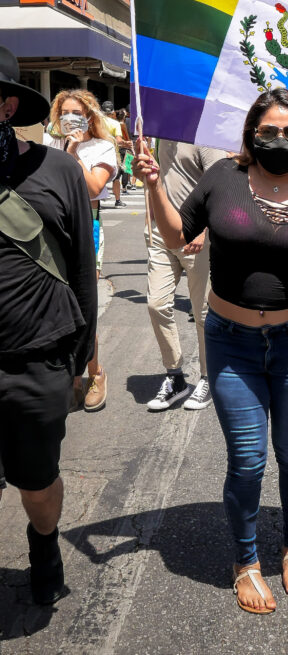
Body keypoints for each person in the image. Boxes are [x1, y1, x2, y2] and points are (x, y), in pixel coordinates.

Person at [134, 89, 288, 614]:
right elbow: (180, 234)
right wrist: (154, 187)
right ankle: (245, 560)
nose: (280, 140)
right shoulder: (222, 177)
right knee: (247, 462)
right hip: (232, 343)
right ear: (250, 133)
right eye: (269, 130)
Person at [0, 47, 97, 604]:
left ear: (8, 104)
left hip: (37, 360)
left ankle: (44, 543)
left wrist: (80, 361)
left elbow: (84, 269)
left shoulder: (58, 170)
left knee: (36, 485)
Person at [144, 140, 227, 412]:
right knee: (156, 305)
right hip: (160, 233)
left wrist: (204, 229)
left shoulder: (203, 137)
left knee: (203, 312)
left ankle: (207, 377)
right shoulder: (155, 137)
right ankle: (175, 376)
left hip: (197, 234)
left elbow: (221, 184)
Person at [48, 90, 118, 411]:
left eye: (76, 112)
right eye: (64, 112)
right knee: (55, 305)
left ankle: (95, 373)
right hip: (51, 234)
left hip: (86, 231)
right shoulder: (48, 146)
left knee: (83, 306)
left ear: (89, 116)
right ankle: (70, 377)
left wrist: (74, 152)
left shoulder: (102, 147)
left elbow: (93, 187)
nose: (69, 118)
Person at [101, 100, 128, 208]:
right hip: (111, 153)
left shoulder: (95, 122)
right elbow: (118, 140)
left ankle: (97, 199)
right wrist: (127, 143)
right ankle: (117, 200)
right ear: (112, 112)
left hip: (96, 151)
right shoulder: (115, 124)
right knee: (116, 178)